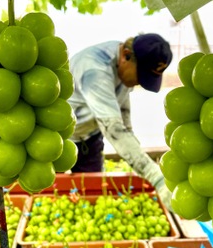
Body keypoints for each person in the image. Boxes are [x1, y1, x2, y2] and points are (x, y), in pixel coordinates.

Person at [67, 33, 173, 209]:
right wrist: (156, 177)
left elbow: (123, 121)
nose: (138, 83)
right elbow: (114, 129)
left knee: (90, 197)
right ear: (125, 55)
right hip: (61, 140)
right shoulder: (95, 70)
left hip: (90, 138)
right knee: (50, 191)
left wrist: (137, 154)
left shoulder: (123, 67)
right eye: (140, 76)